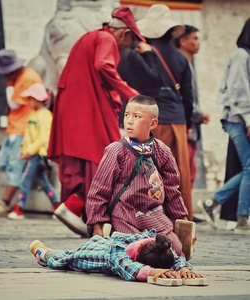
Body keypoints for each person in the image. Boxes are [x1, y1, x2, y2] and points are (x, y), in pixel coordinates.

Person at [48, 7, 144, 237]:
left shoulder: (91, 36)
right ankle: (86, 214)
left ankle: (75, 208)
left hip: (76, 105)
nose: (127, 47)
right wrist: (129, 92)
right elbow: (103, 65)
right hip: (88, 107)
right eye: (130, 41)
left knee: (85, 161)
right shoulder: (106, 38)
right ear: (123, 34)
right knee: (106, 157)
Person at [86, 95, 191, 258]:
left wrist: (184, 224)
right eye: (127, 115)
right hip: (125, 217)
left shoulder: (162, 151)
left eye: (137, 116)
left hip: (154, 217)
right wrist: (97, 225)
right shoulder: (116, 151)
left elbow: (172, 190)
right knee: (136, 251)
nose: (129, 120)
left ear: (153, 123)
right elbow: (99, 190)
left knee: (176, 250)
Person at [117, 4, 194, 221]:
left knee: (150, 172)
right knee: (178, 175)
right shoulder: (181, 58)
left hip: (150, 120)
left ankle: (150, 218)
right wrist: (187, 123)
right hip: (177, 120)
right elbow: (188, 95)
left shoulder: (136, 54)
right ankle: (181, 220)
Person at [197, 18, 250, 234]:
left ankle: (214, 204)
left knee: (248, 167)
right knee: (249, 167)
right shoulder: (241, 55)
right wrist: (249, 118)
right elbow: (237, 92)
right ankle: (241, 217)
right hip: (238, 119)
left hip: (241, 118)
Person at [28, 229, 208, 285]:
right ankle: (40, 251)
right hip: (88, 252)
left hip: (104, 242)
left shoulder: (155, 243)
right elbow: (125, 266)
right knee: (59, 257)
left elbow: (174, 256)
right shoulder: (119, 253)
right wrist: (153, 271)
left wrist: (183, 268)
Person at [0, 49, 43, 217]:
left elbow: (15, 104)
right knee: (3, 163)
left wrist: (9, 86)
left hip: (23, 128)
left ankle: (4, 202)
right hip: (13, 127)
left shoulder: (26, 78)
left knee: (14, 166)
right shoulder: (20, 76)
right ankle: (34, 173)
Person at [7, 83, 60, 219]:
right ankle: (58, 206)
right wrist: (23, 149)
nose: (28, 102)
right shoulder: (33, 115)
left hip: (38, 155)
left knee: (25, 180)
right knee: (44, 183)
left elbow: (43, 138)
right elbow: (28, 136)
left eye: (30, 98)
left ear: (37, 99)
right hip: (31, 155)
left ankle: (19, 207)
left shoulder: (45, 115)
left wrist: (30, 151)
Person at [174, 25, 210, 189]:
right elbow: (183, 97)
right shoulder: (181, 64)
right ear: (182, 41)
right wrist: (198, 114)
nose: (198, 42)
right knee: (183, 171)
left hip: (190, 125)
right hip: (185, 124)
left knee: (189, 171)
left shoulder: (187, 63)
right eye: (194, 38)